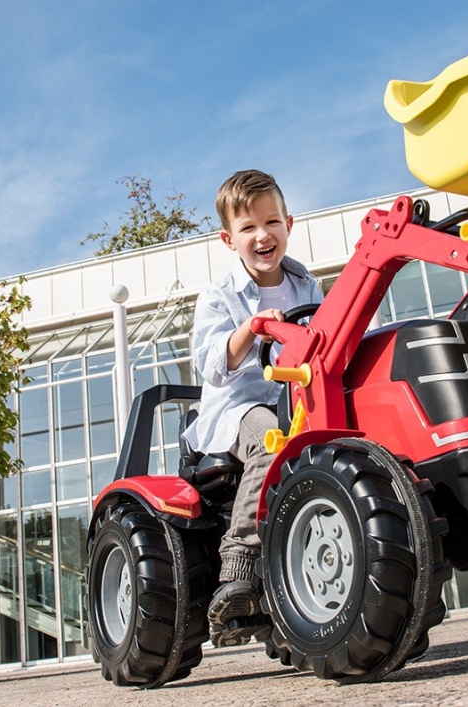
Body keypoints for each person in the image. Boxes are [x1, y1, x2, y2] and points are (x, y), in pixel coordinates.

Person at [183, 169, 323, 647]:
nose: (263, 235)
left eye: (271, 222)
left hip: (300, 400)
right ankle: (239, 561)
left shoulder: (307, 286)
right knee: (272, 441)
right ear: (229, 239)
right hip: (241, 406)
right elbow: (211, 364)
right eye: (248, 227)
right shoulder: (218, 296)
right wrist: (250, 329)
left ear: (289, 224)